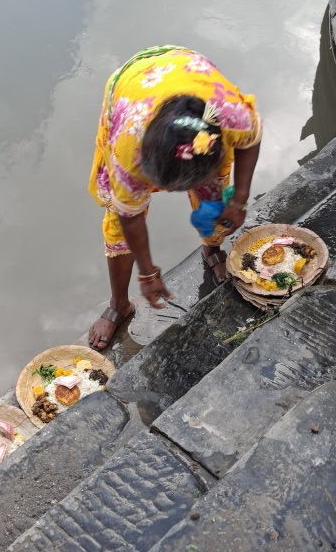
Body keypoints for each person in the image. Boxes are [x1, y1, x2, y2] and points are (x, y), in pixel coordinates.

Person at [87, 45, 262, 350]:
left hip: (191, 73)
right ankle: (119, 303)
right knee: (118, 221)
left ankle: (211, 250)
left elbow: (252, 141)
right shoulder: (128, 150)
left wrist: (240, 200)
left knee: (215, 201)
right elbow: (130, 219)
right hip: (133, 87)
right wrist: (147, 272)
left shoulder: (231, 116)